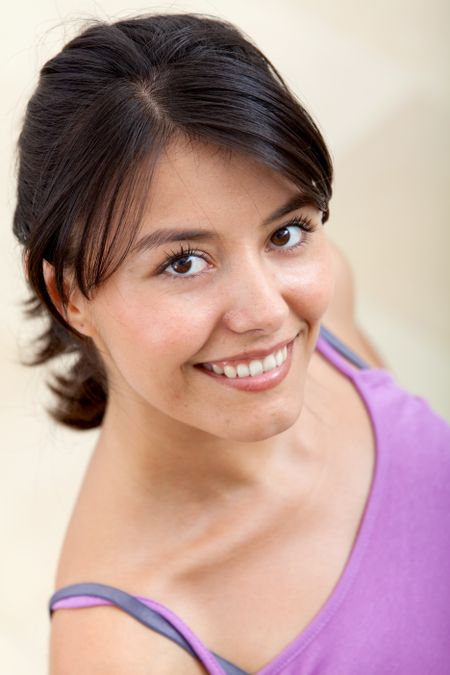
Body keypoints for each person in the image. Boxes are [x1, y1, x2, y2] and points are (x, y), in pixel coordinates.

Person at [12, 12, 450, 675]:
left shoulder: (326, 319)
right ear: (70, 293)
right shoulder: (123, 649)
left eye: (285, 232)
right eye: (184, 262)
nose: (268, 311)